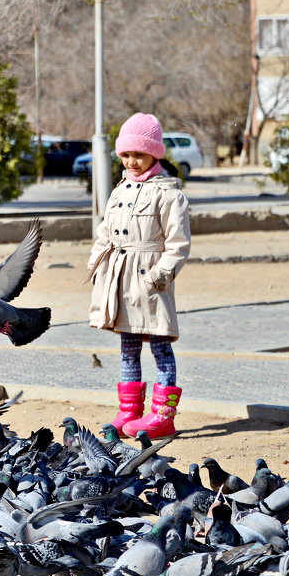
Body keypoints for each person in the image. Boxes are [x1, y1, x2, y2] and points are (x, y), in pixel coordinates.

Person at [87, 112, 191, 439]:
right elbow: (105, 232)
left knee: (161, 345)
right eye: (126, 154)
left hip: (149, 281)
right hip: (119, 279)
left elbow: (179, 244)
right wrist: (96, 265)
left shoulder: (169, 193)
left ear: (154, 153)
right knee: (128, 347)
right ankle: (129, 412)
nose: (132, 161)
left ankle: (163, 416)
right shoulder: (119, 191)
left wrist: (158, 278)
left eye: (139, 154)